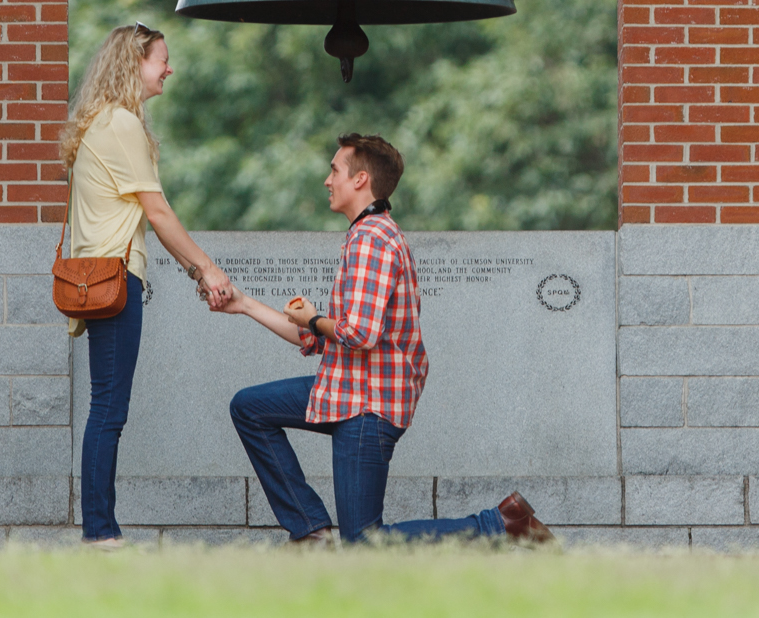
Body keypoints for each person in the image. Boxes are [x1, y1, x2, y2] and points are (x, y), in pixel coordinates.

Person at [211, 134, 555, 546]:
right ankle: (310, 530)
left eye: (334, 170)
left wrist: (315, 317)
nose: (327, 180)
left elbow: (358, 334)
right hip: (344, 390)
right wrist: (246, 304)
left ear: (359, 180)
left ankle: (501, 524)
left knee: (365, 543)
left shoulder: (373, 239)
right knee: (249, 408)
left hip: (367, 405)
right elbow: (320, 339)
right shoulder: (367, 234)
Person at [61, 22, 234, 550]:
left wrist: (190, 269)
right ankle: (100, 532)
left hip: (100, 277)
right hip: (114, 280)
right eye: (162, 58)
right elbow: (158, 212)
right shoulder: (120, 125)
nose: (169, 68)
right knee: (109, 409)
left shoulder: (105, 122)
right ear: (134, 63)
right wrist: (208, 268)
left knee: (106, 407)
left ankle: (100, 528)